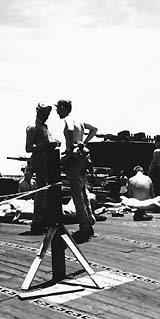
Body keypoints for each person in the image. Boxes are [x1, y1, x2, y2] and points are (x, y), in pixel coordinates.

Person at [55, 99, 98, 242]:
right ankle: (89, 220)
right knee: (83, 192)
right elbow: (94, 130)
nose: (57, 111)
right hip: (83, 158)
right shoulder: (80, 121)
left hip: (73, 159)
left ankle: (84, 227)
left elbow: (71, 129)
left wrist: (71, 147)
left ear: (63, 108)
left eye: (58, 108)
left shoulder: (68, 120)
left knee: (77, 194)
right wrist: (84, 143)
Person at [26, 103, 59, 234]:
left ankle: (44, 219)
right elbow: (28, 148)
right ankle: (37, 221)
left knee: (47, 192)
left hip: (49, 162)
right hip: (39, 162)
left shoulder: (45, 127)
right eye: (44, 114)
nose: (46, 116)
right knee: (41, 192)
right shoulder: (33, 128)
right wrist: (45, 145)